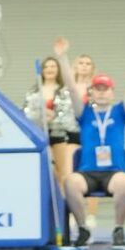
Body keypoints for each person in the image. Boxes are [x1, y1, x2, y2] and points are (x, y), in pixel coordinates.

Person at [55, 35, 125, 247]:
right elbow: (70, 87)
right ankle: (83, 229)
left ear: (113, 92)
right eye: (98, 89)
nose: (102, 93)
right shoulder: (84, 113)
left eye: (106, 89)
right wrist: (63, 58)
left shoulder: (120, 112)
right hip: (88, 172)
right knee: (70, 182)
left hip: (114, 172)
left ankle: (118, 229)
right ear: (92, 93)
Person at [22, 53, 77, 188]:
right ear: (42, 70)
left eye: (53, 66)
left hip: (59, 135)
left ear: (58, 69)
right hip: (40, 135)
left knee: (63, 171)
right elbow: (26, 112)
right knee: (44, 171)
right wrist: (40, 116)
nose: (50, 69)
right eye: (46, 66)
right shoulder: (33, 91)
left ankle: (64, 205)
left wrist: (53, 116)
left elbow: (69, 113)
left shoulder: (64, 91)